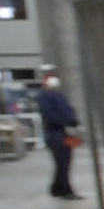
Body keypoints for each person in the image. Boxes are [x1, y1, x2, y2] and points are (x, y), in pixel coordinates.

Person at [31, 67, 83, 198]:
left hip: (64, 133)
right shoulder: (44, 96)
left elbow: (68, 110)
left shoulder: (58, 95)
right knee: (62, 162)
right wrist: (66, 121)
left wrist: (73, 121)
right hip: (56, 133)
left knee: (64, 162)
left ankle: (57, 188)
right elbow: (50, 115)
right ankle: (65, 189)